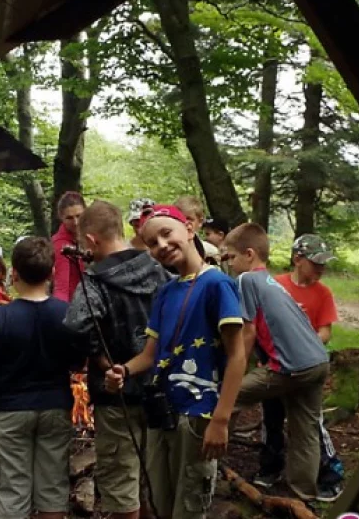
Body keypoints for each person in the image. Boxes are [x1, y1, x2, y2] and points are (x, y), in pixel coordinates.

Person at [105, 204, 246, 519]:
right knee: (160, 504)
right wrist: (124, 370)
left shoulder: (217, 285)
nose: (162, 246)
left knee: (190, 507)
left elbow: (237, 356)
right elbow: (151, 355)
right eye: (153, 243)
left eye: (167, 234)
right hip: (163, 412)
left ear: (190, 229)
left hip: (198, 417)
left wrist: (220, 420)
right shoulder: (166, 292)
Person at [64, 201, 169, 519]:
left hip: (116, 394)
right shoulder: (159, 269)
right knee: (154, 477)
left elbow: (75, 325)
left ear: (92, 240)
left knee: (121, 479)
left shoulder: (95, 281)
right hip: (162, 389)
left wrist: (97, 358)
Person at [0, 236, 82, 519]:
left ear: (14, 273)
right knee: (53, 487)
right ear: (52, 273)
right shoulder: (65, 314)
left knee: (12, 488)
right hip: (55, 406)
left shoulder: (1, 318)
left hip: (10, 410)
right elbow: (78, 362)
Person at [223, 223, 331, 502]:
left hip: (290, 367)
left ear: (249, 254)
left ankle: (210, 465)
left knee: (227, 398)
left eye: (231, 257)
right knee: (305, 428)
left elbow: (247, 332)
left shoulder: (247, 280)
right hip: (318, 363)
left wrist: (236, 372)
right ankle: (303, 493)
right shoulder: (271, 282)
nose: (230, 263)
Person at [255, 233, 344, 501]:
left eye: (324, 264)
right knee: (272, 418)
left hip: (304, 370)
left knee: (308, 424)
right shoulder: (275, 286)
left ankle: (326, 473)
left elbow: (325, 331)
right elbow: (258, 323)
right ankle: (269, 468)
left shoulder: (323, 293)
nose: (321, 269)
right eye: (316, 262)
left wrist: (303, 353)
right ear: (298, 259)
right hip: (274, 367)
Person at [51, 191, 86, 301]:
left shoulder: (91, 235)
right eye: (69, 218)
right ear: (61, 217)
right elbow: (61, 286)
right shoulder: (60, 244)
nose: (75, 222)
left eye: (79, 216)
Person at [174, 196, 219, 264]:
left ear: (200, 222)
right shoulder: (168, 249)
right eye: (178, 218)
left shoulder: (210, 251)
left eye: (189, 219)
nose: (184, 223)